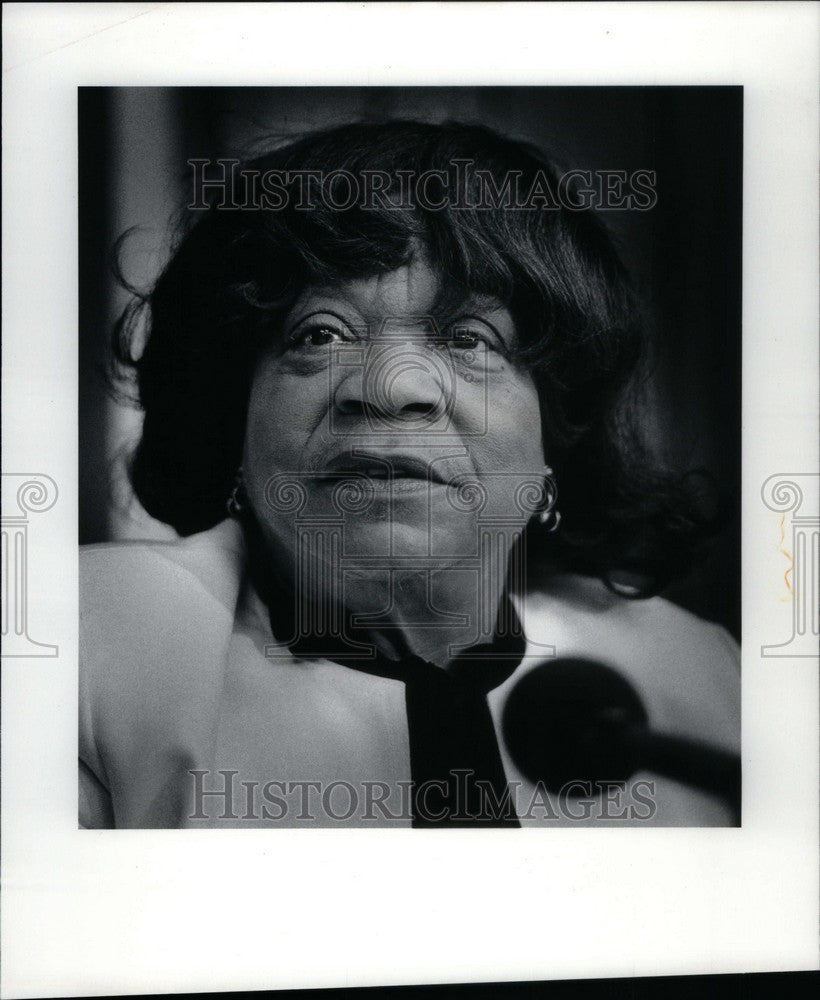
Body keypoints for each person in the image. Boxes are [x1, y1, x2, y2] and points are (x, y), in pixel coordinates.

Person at [79, 120, 740, 829]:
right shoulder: (84, 645)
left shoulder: (705, 676)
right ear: (234, 421)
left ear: (555, 436)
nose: (393, 388)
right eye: (319, 334)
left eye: (469, 338)